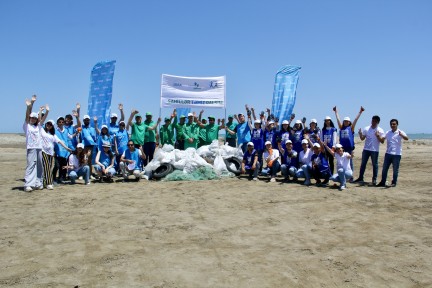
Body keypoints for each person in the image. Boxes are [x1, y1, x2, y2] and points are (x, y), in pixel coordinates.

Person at [376, 119, 409, 187]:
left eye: (394, 124)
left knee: (395, 169)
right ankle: (383, 181)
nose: (392, 125)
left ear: (397, 124)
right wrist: (378, 136)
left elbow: (407, 138)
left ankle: (394, 182)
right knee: (384, 168)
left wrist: (401, 135)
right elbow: (382, 141)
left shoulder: (400, 132)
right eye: (391, 124)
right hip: (388, 153)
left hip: (397, 154)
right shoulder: (388, 132)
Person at [353, 115, 385, 185]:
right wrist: (360, 134)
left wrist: (378, 136)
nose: (373, 122)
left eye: (375, 121)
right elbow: (362, 138)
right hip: (366, 149)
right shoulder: (367, 128)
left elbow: (382, 141)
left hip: (374, 150)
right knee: (363, 164)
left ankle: (374, 179)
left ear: (378, 122)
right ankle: (360, 177)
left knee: (375, 165)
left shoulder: (380, 130)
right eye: (372, 120)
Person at [23, 95, 45, 192]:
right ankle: (28, 184)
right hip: (31, 148)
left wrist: (41, 111)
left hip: (39, 148)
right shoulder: (27, 126)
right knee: (31, 165)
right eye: (31, 118)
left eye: (34, 118)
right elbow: (27, 116)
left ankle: (38, 183)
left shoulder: (38, 127)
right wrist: (30, 105)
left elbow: (40, 119)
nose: (32, 119)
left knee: (40, 165)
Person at [334, 106, 364, 171]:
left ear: (349, 122)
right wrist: (336, 112)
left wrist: (360, 112)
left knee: (350, 161)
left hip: (349, 147)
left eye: (347, 121)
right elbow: (338, 120)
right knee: (342, 160)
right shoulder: (341, 128)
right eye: (345, 121)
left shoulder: (351, 128)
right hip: (342, 148)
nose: (346, 122)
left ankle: (350, 175)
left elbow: (356, 120)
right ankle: (343, 173)